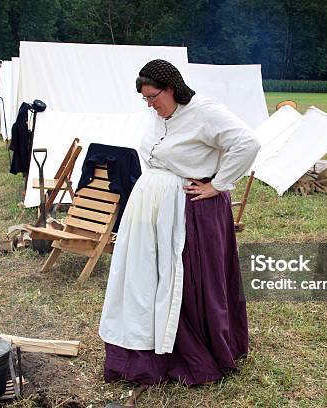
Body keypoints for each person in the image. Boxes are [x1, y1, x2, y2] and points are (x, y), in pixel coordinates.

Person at [98, 59, 260, 407]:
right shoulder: (158, 114)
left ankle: (190, 352)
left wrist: (218, 185)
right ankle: (141, 348)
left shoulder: (205, 112)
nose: (150, 105)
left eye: (153, 97)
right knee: (144, 280)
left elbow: (248, 144)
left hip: (189, 210)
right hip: (151, 209)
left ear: (171, 88)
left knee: (185, 283)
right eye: (145, 99)